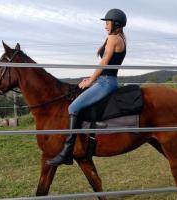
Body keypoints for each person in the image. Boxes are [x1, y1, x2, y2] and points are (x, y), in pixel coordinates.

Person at [46, 8, 127, 166]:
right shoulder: (118, 38)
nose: (105, 26)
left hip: (106, 82)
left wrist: (91, 81)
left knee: (73, 107)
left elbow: (103, 63)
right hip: (105, 81)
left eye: (107, 23)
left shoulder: (114, 39)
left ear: (116, 24)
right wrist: (91, 78)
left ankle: (66, 153)